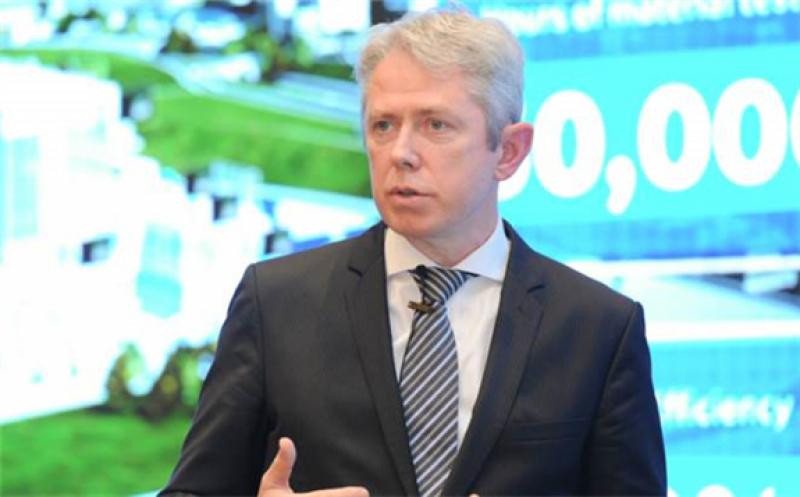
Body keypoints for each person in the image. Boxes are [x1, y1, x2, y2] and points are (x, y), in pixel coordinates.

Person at [160, 8, 666, 497]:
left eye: (435, 125)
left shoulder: (598, 328)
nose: (400, 152)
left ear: (509, 151)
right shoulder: (275, 302)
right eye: (383, 125)